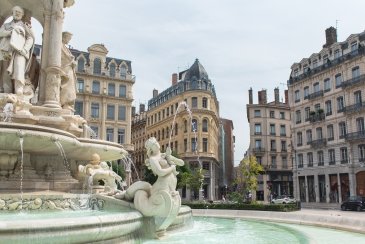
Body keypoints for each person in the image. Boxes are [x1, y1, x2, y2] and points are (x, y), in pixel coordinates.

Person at [0, 6, 35, 96]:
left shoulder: (25, 26)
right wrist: (10, 32)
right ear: (12, 13)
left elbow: (30, 38)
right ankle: (6, 90)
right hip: (6, 50)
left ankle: (18, 90)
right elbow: (0, 33)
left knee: (19, 69)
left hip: (19, 51)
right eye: (15, 11)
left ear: (22, 15)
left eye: (19, 12)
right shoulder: (6, 25)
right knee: (5, 71)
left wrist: (25, 49)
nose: (17, 13)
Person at [60, 32, 77, 110]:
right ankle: (64, 103)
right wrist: (71, 61)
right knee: (66, 87)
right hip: (65, 70)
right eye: (68, 38)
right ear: (64, 37)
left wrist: (72, 62)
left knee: (70, 88)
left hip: (69, 69)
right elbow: (63, 58)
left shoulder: (65, 47)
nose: (69, 41)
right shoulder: (59, 45)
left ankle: (67, 103)